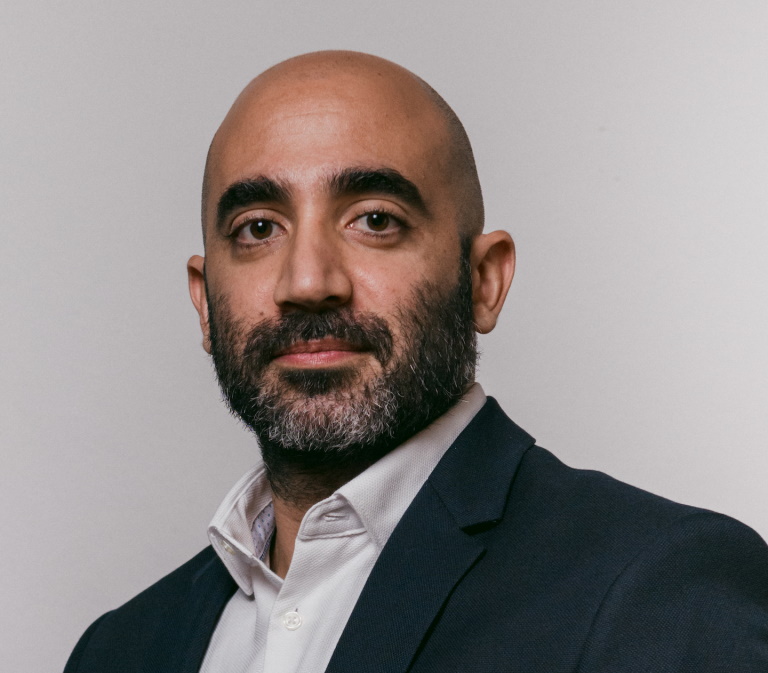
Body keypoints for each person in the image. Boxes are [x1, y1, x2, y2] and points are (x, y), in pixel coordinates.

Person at [64, 51, 768, 673]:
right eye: (258, 229)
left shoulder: (663, 592)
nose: (307, 281)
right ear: (204, 302)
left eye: (375, 220)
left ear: (483, 280)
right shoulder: (118, 650)